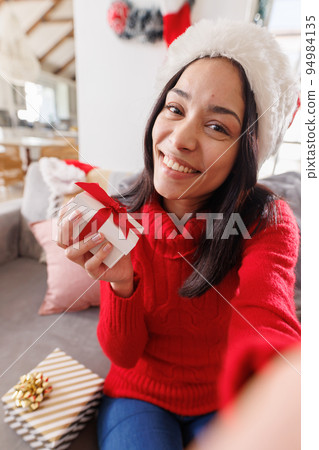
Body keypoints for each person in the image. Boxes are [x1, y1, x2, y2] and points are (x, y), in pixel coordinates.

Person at [57, 19, 301, 450]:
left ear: (248, 150)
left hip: (221, 400)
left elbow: (269, 314)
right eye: (175, 108)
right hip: (139, 396)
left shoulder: (267, 221)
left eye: (217, 127)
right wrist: (122, 282)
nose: (181, 139)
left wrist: (285, 390)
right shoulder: (123, 215)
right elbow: (124, 355)